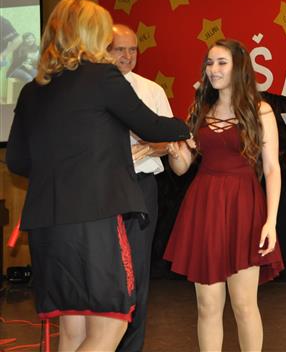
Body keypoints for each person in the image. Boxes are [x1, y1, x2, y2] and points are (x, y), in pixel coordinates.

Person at [5, 0, 190, 351]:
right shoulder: (102, 76)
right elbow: (151, 126)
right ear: (91, 34)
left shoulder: (32, 90)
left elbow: (17, 161)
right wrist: (188, 126)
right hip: (93, 223)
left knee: (73, 330)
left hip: (46, 226)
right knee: (111, 325)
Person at [163, 38, 284, 351]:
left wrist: (271, 221)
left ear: (238, 67)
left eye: (221, 62)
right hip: (204, 206)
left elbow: (272, 169)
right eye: (209, 63)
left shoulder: (260, 110)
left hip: (244, 206)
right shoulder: (200, 109)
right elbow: (181, 168)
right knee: (207, 306)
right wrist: (175, 151)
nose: (213, 69)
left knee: (244, 305)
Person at [110, 24, 174, 352]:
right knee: (107, 272)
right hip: (103, 190)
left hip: (142, 187)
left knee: (138, 272)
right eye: (119, 49)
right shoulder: (92, 92)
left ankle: (131, 347)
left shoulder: (151, 90)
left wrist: (148, 146)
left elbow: (170, 139)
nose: (127, 55)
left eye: (132, 49)